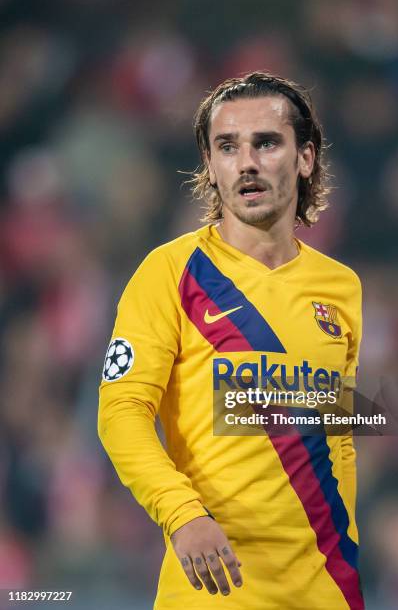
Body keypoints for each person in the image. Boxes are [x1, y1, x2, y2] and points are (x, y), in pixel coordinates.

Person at [98, 71, 364, 609]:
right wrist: (183, 514)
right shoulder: (170, 272)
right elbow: (121, 412)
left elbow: (334, 431)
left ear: (305, 158)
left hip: (327, 593)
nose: (247, 162)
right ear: (211, 167)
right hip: (214, 592)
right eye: (227, 147)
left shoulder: (341, 288)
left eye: (266, 143)